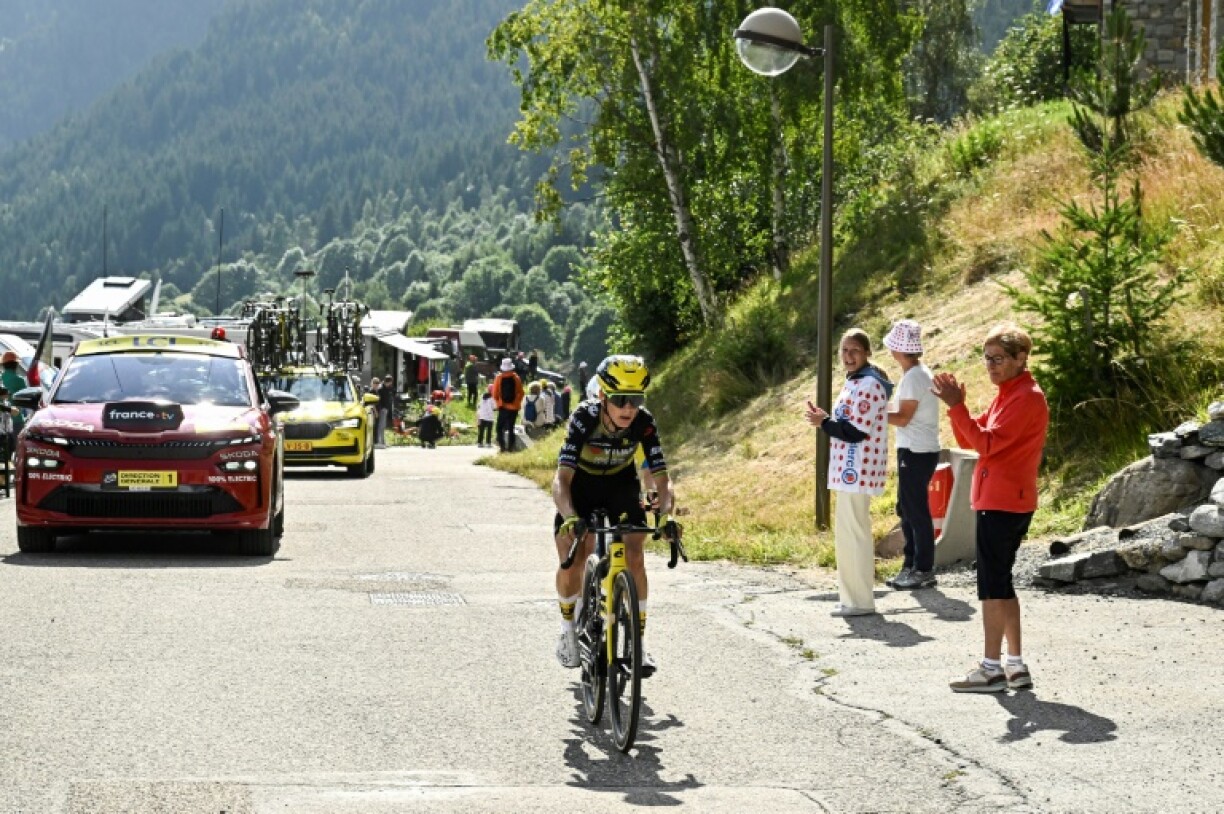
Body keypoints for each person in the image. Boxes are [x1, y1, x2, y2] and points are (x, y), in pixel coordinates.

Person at [932, 322, 1048, 694]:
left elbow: (985, 444)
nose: (992, 366)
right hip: (1002, 498)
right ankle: (1014, 665)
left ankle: (991, 667)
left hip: (1002, 502)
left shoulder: (1026, 396)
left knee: (992, 588)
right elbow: (971, 436)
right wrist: (958, 411)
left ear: (1020, 358)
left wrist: (957, 407)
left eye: (999, 358)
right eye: (987, 359)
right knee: (1001, 583)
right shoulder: (1009, 393)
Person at [552, 355, 677, 676]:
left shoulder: (643, 422)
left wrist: (664, 517)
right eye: (621, 399)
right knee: (573, 557)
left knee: (635, 557)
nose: (629, 408)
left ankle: (638, 644)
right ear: (604, 397)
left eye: (636, 399)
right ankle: (568, 629)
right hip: (581, 486)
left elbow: (663, 479)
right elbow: (561, 479)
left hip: (621, 485)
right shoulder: (583, 418)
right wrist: (568, 514)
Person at [804, 329, 892, 618]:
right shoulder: (855, 382)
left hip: (859, 469)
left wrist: (824, 422)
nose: (848, 356)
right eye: (844, 350)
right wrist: (826, 420)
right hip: (848, 470)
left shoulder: (869, 384)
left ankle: (860, 600)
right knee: (848, 534)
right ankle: (851, 598)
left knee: (855, 534)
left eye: (854, 350)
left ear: (866, 352)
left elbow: (855, 431)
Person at [883, 320, 942, 591]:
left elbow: (903, 418)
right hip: (918, 449)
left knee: (915, 511)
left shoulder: (914, 377)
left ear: (897, 349)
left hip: (916, 451)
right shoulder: (917, 375)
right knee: (907, 508)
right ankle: (910, 566)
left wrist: (873, 413)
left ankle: (922, 569)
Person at [492, 358, 524, 452]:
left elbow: (495, 393)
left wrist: (499, 403)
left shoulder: (499, 377)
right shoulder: (516, 377)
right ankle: (510, 448)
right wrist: (516, 402)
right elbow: (521, 392)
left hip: (503, 407)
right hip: (514, 408)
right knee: (511, 428)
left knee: (499, 428)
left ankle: (502, 447)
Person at [1, 352, 29, 439]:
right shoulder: (20, 380)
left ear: (4, 365)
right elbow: (26, 399)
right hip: (16, 418)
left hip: (2, 419)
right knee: (16, 448)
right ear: (16, 365)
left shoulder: (1, 378)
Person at [376, 375, 394, 449]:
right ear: (388, 381)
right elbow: (379, 400)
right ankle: (379, 442)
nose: (390, 384)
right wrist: (381, 408)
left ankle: (383, 442)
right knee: (381, 426)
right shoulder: (381, 388)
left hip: (386, 408)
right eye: (390, 382)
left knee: (383, 426)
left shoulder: (387, 388)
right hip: (382, 409)